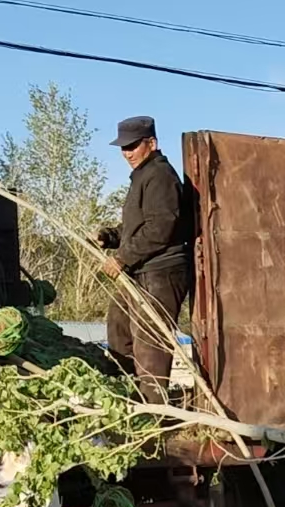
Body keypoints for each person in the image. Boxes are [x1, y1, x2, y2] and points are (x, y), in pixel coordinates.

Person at [101, 115, 195, 384]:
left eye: (133, 146)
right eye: (123, 147)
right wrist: (109, 237)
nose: (127, 153)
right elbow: (138, 226)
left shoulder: (160, 176)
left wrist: (122, 258)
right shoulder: (143, 176)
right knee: (119, 329)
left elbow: (160, 227)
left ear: (151, 143)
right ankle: (128, 392)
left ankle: (154, 403)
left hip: (160, 272)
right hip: (139, 270)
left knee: (150, 346)